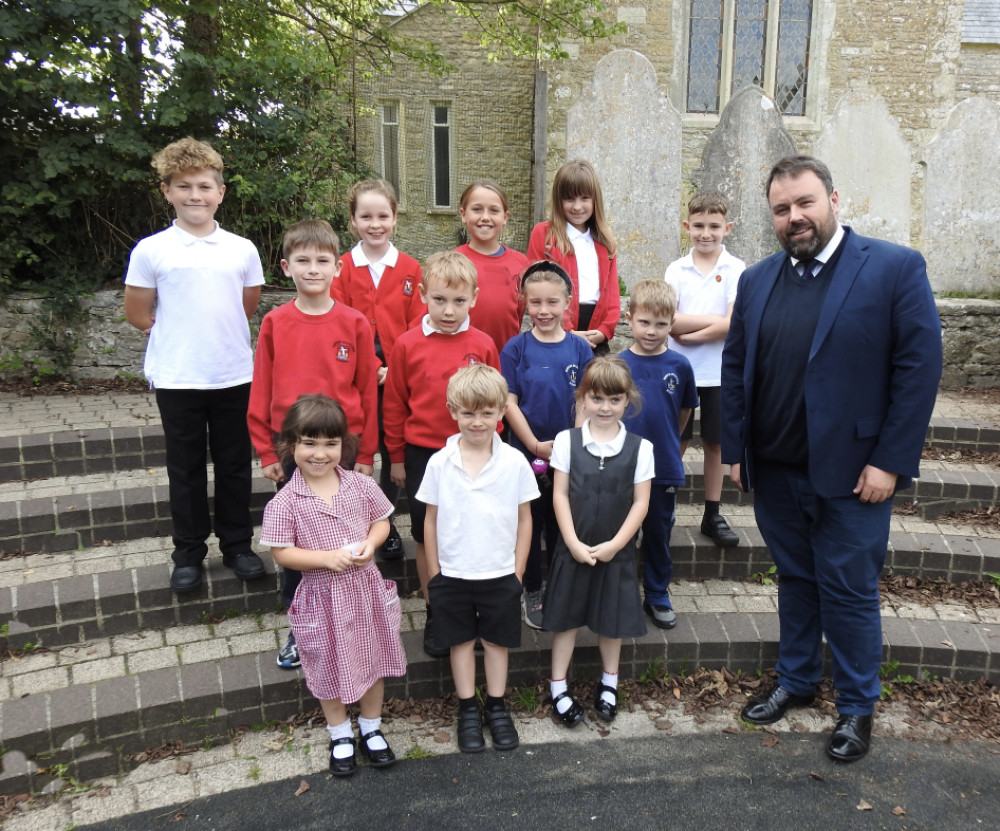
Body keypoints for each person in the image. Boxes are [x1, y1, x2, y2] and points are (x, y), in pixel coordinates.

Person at [721, 155, 942, 763]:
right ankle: (794, 681)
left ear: (833, 200)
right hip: (777, 471)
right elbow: (737, 368)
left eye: (805, 203)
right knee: (794, 582)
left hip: (856, 476)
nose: (794, 217)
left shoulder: (893, 268)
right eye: (782, 209)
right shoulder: (758, 280)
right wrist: (737, 450)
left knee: (847, 592)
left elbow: (919, 372)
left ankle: (855, 707)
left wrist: (890, 461)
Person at [124, 136, 266, 593]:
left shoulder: (241, 249)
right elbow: (138, 313)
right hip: (179, 376)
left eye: (204, 186)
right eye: (183, 186)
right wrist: (179, 337)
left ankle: (238, 546)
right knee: (184, 469)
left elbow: (244, 306)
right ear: (166, 191)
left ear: (220, 192)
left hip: (232, 374)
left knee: (233, 467)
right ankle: (188, 552)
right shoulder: (151, 250)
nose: (195, 196)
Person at [247, 219, 380, 670]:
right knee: (298, 542)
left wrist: (366, 452)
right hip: (292, 448)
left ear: (337, 266)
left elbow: (367, 391)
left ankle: (352, 620)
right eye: (303, 260)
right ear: (286, 267)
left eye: (322, 260)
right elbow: (261, 389)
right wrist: (267, 451)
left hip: (343, 446)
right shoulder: (275, 322)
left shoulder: (355, 323)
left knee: (345, 535)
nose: (313, 268)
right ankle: (299, 628)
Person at [260, 395, 406, 777]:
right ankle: (340, 732)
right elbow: (282, 553)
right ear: (291, 445)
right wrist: (325, 559)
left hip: (366, 592)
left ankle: (371, 728)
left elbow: (381, 522)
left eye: (330, 443)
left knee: (373, 660)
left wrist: (371, 544)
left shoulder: (359, 485)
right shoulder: (286, 501)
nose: (320, 453)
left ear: (343, 444)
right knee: (325, 666)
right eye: (309, 443)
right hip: (321, 599)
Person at [383, 250, 501, 657]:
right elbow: (395, 403)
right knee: (427, 534)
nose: (449, 311)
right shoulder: (406, 345)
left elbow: (495, 402)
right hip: (423, 455)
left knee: (471, 531)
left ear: (474, 298)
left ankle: (476, 612)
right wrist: (396, 457)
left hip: (474, 455)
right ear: (422, 296)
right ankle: (437, 612)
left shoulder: (483, 344)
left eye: (458, 301)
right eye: (439, 300)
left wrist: (494, 449)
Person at [417, 365, 539, 752]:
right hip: (452, 574)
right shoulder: (439, 462)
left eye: (487, 412)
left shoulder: (515, 463)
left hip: (500, 573)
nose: (477, 421)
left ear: (502, 412)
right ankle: (468, 707)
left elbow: (525, 520)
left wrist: (517, 573)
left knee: (497, 642)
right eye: (468, 413)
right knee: (460, 643)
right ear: (453, 410)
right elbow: (430, 521)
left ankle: (498, 707)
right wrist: (434, 574)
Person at [542, 356, 653, 727]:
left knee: (612, 620)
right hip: (573, 549)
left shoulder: (641, 448)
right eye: (597, 398)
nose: (605, 407)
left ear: (627, 400)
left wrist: (617, 544)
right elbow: (559, 495)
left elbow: (641, 502)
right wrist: (571, 541)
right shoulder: (566, 441)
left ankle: (609, 683)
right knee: (566, 620)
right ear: (582, 399)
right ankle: (558, 686)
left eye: (615, 399)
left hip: (615, 552)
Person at [333, 179, 425, 561]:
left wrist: (394, 369)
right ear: (353, 221)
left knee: (392, 452)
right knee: (354, 450)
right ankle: (349, 523)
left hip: (395, 378)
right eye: (365, 216)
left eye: (382, 216)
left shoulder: (409, 268)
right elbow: (336, 321)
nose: (375, 224)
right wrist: (366, 368)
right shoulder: (340, 267)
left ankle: (382, 524)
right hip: (351, 378)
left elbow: (419, 323)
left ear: (395, 218)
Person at [500, 262, 593, 629]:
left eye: (552, 302)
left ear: (568, 303)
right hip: (526, 453)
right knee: (529, 523)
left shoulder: (580, 349)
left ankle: (562, 586)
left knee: (561, 522)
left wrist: (570, 443)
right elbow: (509, 402)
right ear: (524, 302)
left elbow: (587, 400)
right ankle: (533, 589)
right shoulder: (516, 348)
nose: (543, 311)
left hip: (569, 454)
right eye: (535, 302)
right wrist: (536, 446)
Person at [665, 190, 745, 548]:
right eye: (698, 225)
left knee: (714, 444)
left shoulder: (736, 269)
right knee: (674, 441)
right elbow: (669, 319)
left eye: (714, 226)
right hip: (679, 371)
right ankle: (661, 506)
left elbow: (734, 323)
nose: (706, 233)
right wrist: (711, 323)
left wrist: (694, 334)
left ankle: (712, 512)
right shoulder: (676, 270)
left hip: (718, 372)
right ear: (687, 226)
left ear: (726, 227)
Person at [620, 280, 698, 630]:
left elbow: (683, 413)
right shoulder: (616, 365)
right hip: (621, 468)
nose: (652, 331)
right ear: (630, 318)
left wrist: (669, 445)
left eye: (661, 324)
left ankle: (656, 593)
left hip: (662, 467)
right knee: (620, 534)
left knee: (657, 533)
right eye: (644, 322)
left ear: (672, 323)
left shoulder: (680, 365)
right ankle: (619, 595)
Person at [527, 160, 621, 355]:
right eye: (570, 199)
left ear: (595, 200)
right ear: (558, 200)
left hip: (595, 336)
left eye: (585, 198)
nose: (577, 206)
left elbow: (612, 296)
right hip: (555, 331)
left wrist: (604, 331)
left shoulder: (605, 243)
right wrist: (568, 330)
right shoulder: (544, 235)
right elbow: (535, 286)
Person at [455, 179, 530, 353]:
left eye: (494, 211)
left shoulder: (521, 264)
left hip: (506, 359)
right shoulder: (453, 261)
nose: (485, 217)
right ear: (463, 214)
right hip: (463, 359)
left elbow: (519, 313)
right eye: (477, 209)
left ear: (505, 217)